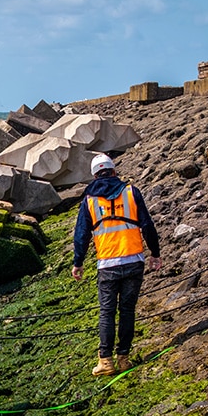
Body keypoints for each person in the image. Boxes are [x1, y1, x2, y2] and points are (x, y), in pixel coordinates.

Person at [72, 153, 162, 376]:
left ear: (94, 176)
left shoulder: (89, 200)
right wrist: (155, 253)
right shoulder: (131, 192)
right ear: (113, 171)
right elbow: (147, 226)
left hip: (107, 264)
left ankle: (106, 361)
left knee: (107, 312)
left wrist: (78, 262)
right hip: (134, 261)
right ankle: (123, 358)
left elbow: (81, 234)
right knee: (127, 310)